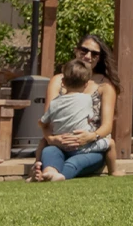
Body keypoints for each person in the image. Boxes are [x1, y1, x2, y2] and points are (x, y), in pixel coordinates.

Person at [31, 34, 122, 180]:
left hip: (89, 148)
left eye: (94, 53)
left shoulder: (105, 86)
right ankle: (47, 172)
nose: (88, 56)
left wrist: (90, 137)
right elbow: (47, 121)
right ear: (76, 51)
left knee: (75, 161)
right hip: (59, 144)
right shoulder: (57, 80)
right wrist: (53, 139)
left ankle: (52, 175)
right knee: (50, 152)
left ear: (99, 58)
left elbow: (107, 126)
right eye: (84, 51)